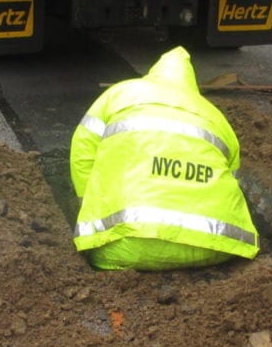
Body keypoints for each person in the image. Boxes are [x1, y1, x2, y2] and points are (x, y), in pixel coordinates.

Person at [69, 45, 260, 271]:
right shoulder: (215, 116)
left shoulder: (120, 93)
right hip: (215, 246)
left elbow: (83, 152)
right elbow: (232, 177)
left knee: (109, 251)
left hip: (126, 244)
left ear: (154, 72)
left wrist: (88, 202)